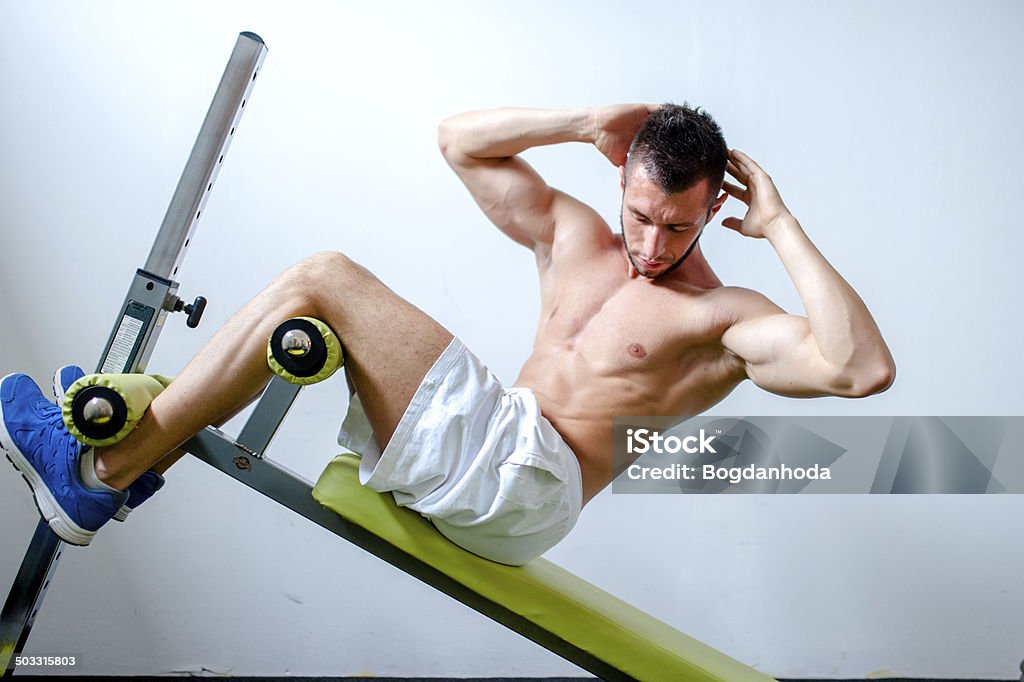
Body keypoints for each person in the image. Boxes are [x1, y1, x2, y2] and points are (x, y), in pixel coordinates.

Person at [1, 103, 894, 565]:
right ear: (621, 177)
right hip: (490, 449)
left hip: (529, 483)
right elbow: (458, 141)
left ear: (714, 211)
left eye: (680, 227)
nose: (652, 245)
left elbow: (860, 370)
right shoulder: (577, 232)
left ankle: (99, 472)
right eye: (641, 215)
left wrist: (780, 225)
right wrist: (583, 121)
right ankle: (126, 466)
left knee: (323, 279)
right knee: (309, 304)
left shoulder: (722, 319)